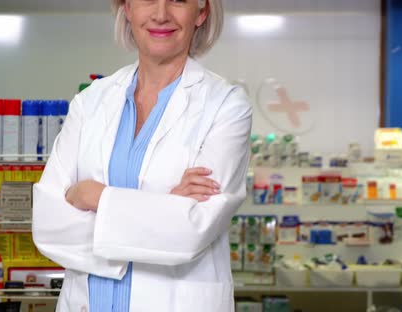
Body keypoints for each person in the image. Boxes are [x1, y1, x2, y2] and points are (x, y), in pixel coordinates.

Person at [32, 0, 252, 311]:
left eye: (178, 0)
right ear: (127, 7)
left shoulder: (226, 106)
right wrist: (166, 206)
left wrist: (96, 197)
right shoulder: (90, 102)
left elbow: (189, 231)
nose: (161, 14)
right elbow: (49, 225)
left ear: (201, 12)